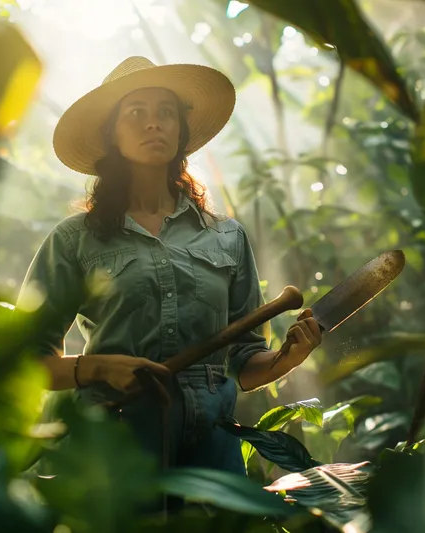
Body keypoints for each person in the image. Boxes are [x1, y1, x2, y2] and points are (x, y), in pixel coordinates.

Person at [17, 56, 322, 481]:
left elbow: (247, 363)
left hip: (211, 458)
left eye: (166, 113)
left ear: (180, 130)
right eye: (136, 113)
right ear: (111, 134)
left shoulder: (227, 237)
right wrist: (100, 367)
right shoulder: (74, 239)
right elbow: (27, 363)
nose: (153, 123)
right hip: (113, 454)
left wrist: (285, 359)